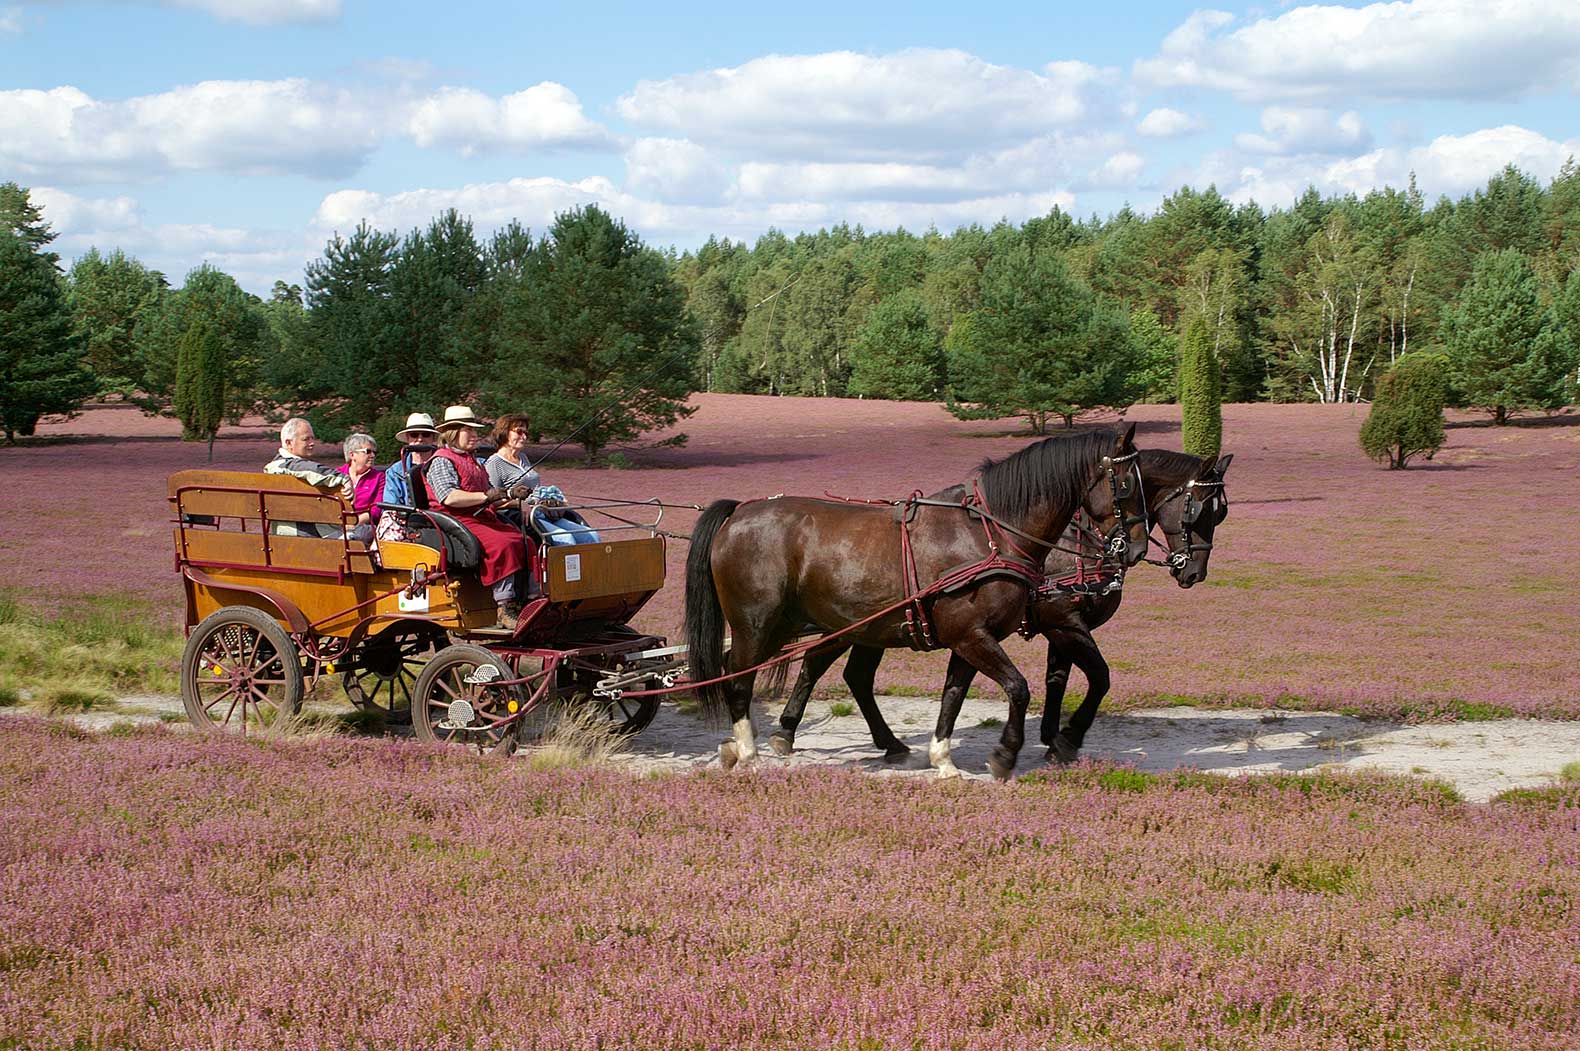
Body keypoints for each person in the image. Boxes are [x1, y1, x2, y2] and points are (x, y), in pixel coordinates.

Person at [425, 405, 531, 630]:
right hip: (456, 521)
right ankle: (504, 607)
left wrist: (512, 494)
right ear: (453, 433)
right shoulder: (442, 460)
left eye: (474, 431)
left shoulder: (473, 460)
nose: (475, 435)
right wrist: (486, 496)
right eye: (468, 431)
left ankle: (529, 600)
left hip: (482, 517)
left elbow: (492, 495)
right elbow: (449, 497)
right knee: (503, 544)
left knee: (526, 541)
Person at [485, 413, 599, 545]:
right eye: (519, 432)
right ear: (504, 432)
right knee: (565, 539)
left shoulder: (523, 458)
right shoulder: (494, 463)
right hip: (518, 516)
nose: (524, 437)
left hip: (540, 511)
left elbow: (535, 489)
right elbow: (492, 502)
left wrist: (552, 499)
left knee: (589, 535)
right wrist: (519, 504)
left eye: (526, 433)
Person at [265, 417, 352, 538]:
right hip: (301, 535)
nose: (312, 443)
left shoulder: (284, 467)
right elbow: (303, 467)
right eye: (306, 439)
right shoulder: (281, 466)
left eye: (312, 438)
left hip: (291, 534)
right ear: (288, 443)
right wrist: (344, 479)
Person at [377, 411, 439, 542]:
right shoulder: (395, 471)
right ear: (408, 438)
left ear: (433, 438)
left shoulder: (444, 463)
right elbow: (390, 507)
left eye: (426, 434)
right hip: (409, 523)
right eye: (414, 435)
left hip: (442, 519)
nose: (420, 439)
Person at [335, 433, 384, 543]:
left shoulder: (379, 477)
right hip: (336, 525)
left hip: (364, 525)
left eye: (374, 452)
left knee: (348, 539)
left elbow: (377, 509)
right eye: (368, 451)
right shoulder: (336, 475)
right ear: (352, 455)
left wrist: (354, 523)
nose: (372, 455)